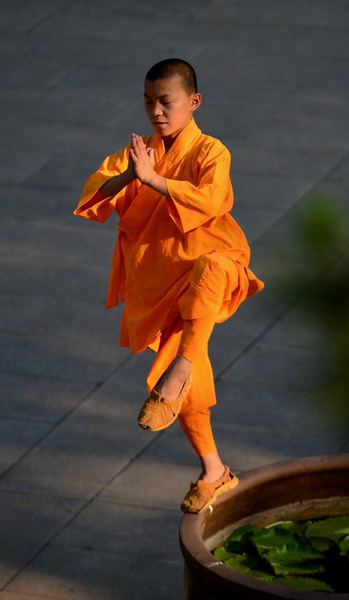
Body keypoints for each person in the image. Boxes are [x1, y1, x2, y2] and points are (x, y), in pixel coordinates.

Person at [74, 58, 264, 513]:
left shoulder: (211, 152)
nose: (156, 112)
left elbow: (214, 200)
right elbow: (94, 193)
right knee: (187, 383)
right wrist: (131, 176)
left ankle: (179, 370)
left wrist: (156, 181)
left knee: (211, 271)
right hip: (158, 279)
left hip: (211, 264)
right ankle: (215, 470)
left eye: (166, 102)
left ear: (193, 102)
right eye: (148, 102)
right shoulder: (140, 151)